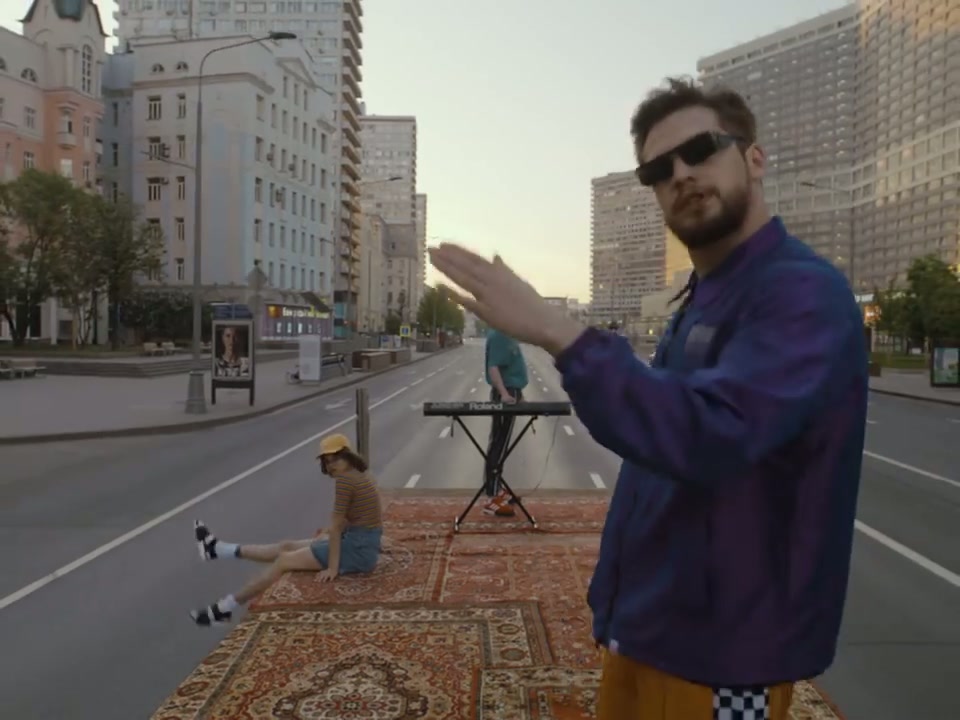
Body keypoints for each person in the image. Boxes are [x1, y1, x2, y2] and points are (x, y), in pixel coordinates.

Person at [428, 76, 868, 720]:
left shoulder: (801, 292)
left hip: (723, 653)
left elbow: (709, 434)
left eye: (701, 150)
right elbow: (657, 451)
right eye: (659, 170)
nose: (681, 174)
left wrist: (558, 331)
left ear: (754, 158)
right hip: (654, 630)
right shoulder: (707, 294)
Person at [189, 433, 383, 626]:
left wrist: (332, 568)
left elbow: (336, 526)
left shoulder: (345, 481)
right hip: (359, 542)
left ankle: (225, 608)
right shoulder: (361, 474)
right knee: (287, 545)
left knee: (284, 561)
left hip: (357, 548)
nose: (331, 466)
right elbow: (364, 515)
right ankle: (217, 549)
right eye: (327, 461)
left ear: (348, 456)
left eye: (336, 459)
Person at [482, 327, 529, 516]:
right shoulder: (500, 335)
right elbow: (493, 367)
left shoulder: (508, 334)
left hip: (512, 391)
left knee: (500, 443)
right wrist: (504, 394)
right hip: (507, 394)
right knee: (499, 445)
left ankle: (497, 490)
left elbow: (511, 368)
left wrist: (520, 395)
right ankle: (492, 496)